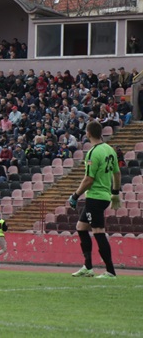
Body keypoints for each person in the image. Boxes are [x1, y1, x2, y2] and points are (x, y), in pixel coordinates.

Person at [69, 120, 121, 279]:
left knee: (98, 231)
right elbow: (117, 173)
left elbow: (88, 179)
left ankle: (110, 271)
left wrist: (75, 195)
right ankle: (88, 267)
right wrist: (115, 193)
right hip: (104, 195)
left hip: (95, 197)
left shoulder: (93, 152)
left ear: (88, 133)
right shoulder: (110, 149)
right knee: (81, 227)